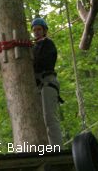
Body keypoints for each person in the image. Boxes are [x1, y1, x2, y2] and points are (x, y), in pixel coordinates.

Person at [31, 17, 63, 146]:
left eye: (39, 29)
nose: (36, 32)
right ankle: (46, 147)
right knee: (40, 121)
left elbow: (43, 62)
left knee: (50, 119)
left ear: (44, 31)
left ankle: (56, 149)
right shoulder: (35, 46)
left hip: (48, 83)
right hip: (39, 86)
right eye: (34, 30)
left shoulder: (48, 44)